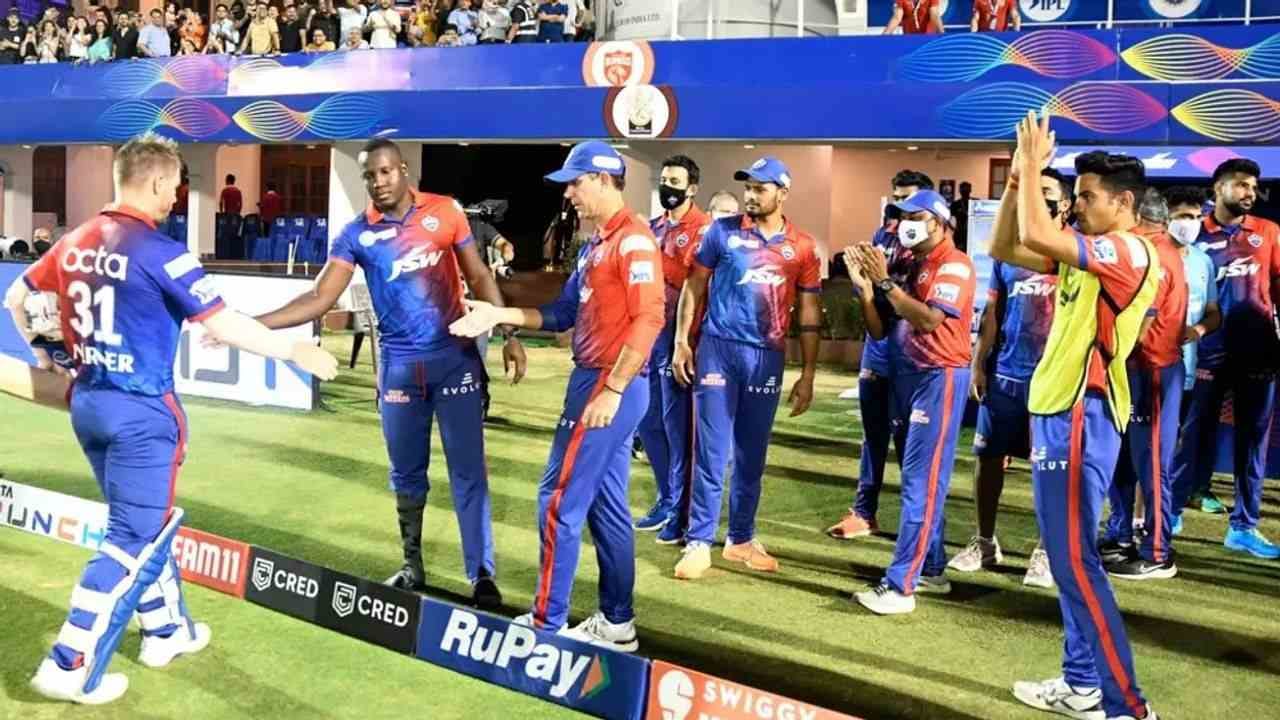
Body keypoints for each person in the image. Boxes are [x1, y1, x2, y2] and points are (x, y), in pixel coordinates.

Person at [5, 132, 337, 705]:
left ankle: (166, 631)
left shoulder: (74, 240)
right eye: (177, 184)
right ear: (158, 181)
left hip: (89, 405)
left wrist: (43, 355)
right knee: (132, 538)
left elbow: (18, 298)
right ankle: (67, 664)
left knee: (144, 523)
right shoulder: (164, 253)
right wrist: (293, 351)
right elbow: (224, 323)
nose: (177, 195)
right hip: (142, 416)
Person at [252, 139, 524, 608]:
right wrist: (251, 325)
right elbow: (319, 298)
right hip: (399, 372)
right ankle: (411, 565)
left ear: (403, 170)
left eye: (385, 172)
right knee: (406, 474)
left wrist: (509, 333)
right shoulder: (356, 234)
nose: (378, 182)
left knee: (468, 471)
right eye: (369, 176)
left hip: (455, 362)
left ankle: (481, 575)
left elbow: (480, 276)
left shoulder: (445, 212)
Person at [448, 141, 663, 651]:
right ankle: (617, 623)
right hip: (602, 382)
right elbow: (563, 315)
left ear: (604, 179)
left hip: (607, 383)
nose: (568, 194)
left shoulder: (633, 241)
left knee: (558, 500)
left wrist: (612, 389)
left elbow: (650, 317)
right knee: (606, 506)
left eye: (576, 182)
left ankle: (546, 625)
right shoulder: (596, 246)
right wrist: (499, 315)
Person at [994, 114, 1161, 720]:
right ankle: (1083, 684)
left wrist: (1030, 165)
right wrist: (1018, 182)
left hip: (1082, 415)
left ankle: (1128, 707)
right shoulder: (1088, 254)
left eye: (1088, 197)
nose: (1077, 205)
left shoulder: (1126, 249)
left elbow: (1035, 231)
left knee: (1075, 564)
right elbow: (1005, 248)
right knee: (1069, 564)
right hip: (1059, 410)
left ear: (1124, 203)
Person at [671, 156, 822, 580]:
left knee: (751, 455)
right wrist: (682, 341)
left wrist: (808, 374)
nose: (751, 195)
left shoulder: (802, 246)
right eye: (748, 187)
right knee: (712, 452)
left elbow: (809, 313)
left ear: (782, 193)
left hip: (766, 357)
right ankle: (699, 542)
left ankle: (739, 539)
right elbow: (694, 287)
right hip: (718, 351)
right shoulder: (722, 231)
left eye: (760, 188)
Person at [846, 189, 975, 615]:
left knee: (921, 483)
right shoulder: (908, 264)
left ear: (939, 222)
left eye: (914, 217)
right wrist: (867, 290)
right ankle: (932, 568)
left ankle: (901, 586)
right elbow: (880, 331)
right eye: (901, 217)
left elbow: (929, 319)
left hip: (939, 377)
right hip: (907, 375)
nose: (905, 225)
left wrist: (885, 282)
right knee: (919, 480)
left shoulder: (955, 264)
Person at [947, 168, 1068, 589]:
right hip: (1006, 376)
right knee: (987, 458)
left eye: (1047, 192)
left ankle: (1046, 551)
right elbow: (992, 314)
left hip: (1053, 381)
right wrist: (979, 364)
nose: (1039, 199)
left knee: (1047, 467)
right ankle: (984, 542)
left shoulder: (1074, 253)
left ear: (1065, 204)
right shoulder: (1008, 254)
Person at [1172, 158, 1280, 559]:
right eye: (1241, 184)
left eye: (1253, 186)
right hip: (1206, 352)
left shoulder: (1268, 232)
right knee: (1191, 438)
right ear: (1218, 188)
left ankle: (1243, 527)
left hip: (1259, 354)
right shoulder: (1193, 233)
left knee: (1252, 444)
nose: (1249, 192)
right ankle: (1169, 514)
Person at [825, 170, 930, 542]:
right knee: (873, 434)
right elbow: (869, 291)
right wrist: (862, 281)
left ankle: (915, 520)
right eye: (896, 198)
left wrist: (886, 280)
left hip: (911, 354)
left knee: (908, 440)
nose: (900, 208)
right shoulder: (882, 236)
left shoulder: (931, 247)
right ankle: (864, 512)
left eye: (909, 200)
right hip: (878, 347)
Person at [1098, 189, 1187, 581]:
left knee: (1151, 463)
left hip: (1152, 369)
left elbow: (1143, 323)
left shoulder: (1153, 254)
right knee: (1122, 458)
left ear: (1137, 217)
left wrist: (1106, 353)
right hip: (1134, 368)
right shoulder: (1154, 249)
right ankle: (1119, 535)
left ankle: (1158, 553)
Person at [633, 155, 710, 544]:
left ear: (692, 188)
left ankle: (682, 511)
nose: (668, 187)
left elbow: (692, 282)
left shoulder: (704, 230)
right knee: (647, 423)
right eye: (664, 180)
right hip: (649, 335)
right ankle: (667, 499)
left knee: (676, 429)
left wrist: (654, 255)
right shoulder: (654, 227)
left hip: (682, 339)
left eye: (675, 182)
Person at [1164, 187, 1221, 525]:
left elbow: (1214, 313)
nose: (1192, 223)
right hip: (1150, 366)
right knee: (1151, 443)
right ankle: (1136, 516)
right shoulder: (1149, 254)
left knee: (1183, 442)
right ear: (1166, 217)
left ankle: (1170, 510)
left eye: (1197, 217)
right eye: (1184, 216)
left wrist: (1198, 330)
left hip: (1189, 368)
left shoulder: (1203, 261)